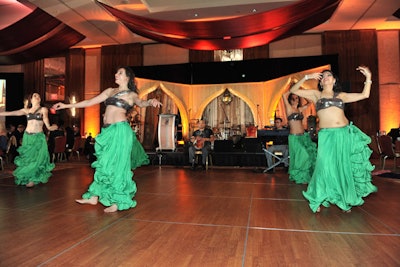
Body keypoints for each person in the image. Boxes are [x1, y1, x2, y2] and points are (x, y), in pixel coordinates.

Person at [53, 66, 162, 213]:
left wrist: (150, 102)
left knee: (118, 166)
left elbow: (141, 102)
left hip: (121, 131)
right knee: (103, 164)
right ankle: (94, 196)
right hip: (107, 132)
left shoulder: (131, 94)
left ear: (127, 77)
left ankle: (118, 200)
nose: (116, 74)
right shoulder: (110, 91)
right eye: (116, 72)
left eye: (120, 73)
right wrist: (66, 105)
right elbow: (89, 102)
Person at [289, 66, 377, 213]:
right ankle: (317, 197)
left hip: (343, 134)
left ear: (334, 80)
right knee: (323, 167)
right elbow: (294, 90)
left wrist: (368, 77)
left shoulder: (341, 96)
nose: (325, 78)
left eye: (328, 75)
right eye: (322, 77)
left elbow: (364, 95)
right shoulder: (316, 94)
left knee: (342, 167)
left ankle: (344, 198)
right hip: (326, 135)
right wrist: (306, 77)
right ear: (321, 82)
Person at [0, 93, 57, 187]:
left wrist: (52, 127)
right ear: (31, 99)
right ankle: (27, 178)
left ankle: (33, 179)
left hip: (38, 137)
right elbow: (12, 113)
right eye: (35, 96)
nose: (37, 97)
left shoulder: (43, 109)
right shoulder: (26, 110)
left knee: (36, 159)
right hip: (27, 137)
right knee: (28, 159)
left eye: (39, 96)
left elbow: (47, 124)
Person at [282, 91, 316, 184]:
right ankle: (299, 175)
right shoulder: (289, 109)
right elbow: (283, 95)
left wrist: (301, 93)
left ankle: (304, 176)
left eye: (297, 98)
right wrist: (293, 89)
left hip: (303, 136)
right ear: (290, 100)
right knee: (303, 156)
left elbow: (310, 103)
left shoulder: (299, 109)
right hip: (294, 137)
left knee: (308, 156)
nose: (295, 100)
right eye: (293, 99)